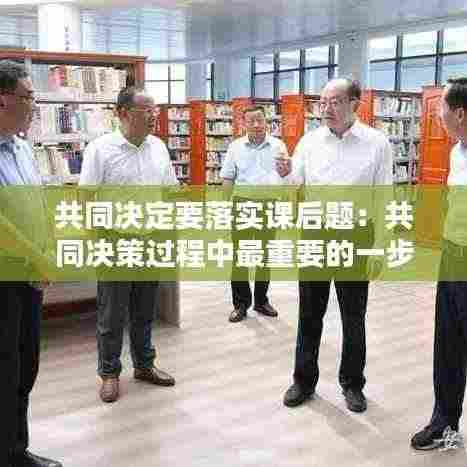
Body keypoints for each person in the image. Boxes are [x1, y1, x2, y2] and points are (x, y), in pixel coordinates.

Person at [276, 78, 393, 412]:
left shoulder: (377, 143)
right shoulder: (310, 141)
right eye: (322, 102)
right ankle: (303, 381)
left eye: (335, 102)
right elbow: (295, 181)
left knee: (353, 315)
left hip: (356, 235)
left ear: (355, 104)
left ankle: (353, 384)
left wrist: (380, 247)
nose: (326, 108)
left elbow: (384, 198)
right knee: (309, 311)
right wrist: (285, 172)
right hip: (315, 232)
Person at [79, 86, 177, 403]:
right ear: (123, 113)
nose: (153, 116)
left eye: (155, 110)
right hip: (115, 241)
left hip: (151, 240)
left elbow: (169, 192)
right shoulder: (100, 149)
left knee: (144, 310)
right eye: (146, 110)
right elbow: (86, 197)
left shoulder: (159, 147)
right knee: (111, 314)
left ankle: (144, 365)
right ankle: (109, 373)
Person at [0, 60, 62, 467]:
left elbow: (37, 203)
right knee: (4, 369)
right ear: (2, 100)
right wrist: (36, 256)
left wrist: (49, 246)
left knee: (26, 365)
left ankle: (16, 449)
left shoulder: (22, 147)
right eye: (28, 97)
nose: (34, 105)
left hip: (30, 275)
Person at [411, 77, 467, 450]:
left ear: (459, 113)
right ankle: (444, 421)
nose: (437, 115)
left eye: (440, 108)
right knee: (448, 344)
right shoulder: (456, 152)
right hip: (452, 255)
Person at [220, 106, 289, 323]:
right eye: (252, 121)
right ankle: (240, 304)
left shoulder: (278, 145)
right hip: (242, 205)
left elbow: (287, 175)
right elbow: (228, 178)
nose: (257, 124)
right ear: (244, 124)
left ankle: (261, 301)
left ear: (266, 121)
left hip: (269, 205)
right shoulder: (235, 147)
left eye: (260, 120)